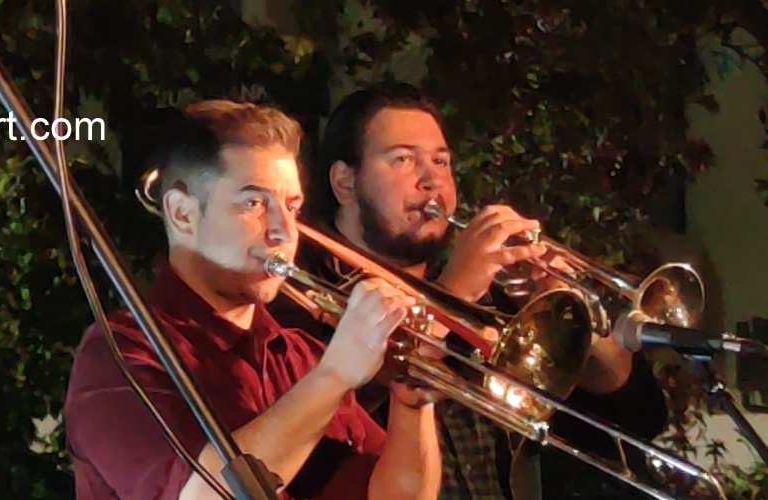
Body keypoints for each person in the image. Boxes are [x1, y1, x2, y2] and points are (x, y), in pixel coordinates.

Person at [286, 84, 670, 500]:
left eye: (441, 161)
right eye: (403, 159)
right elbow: (326, 427)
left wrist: (574, 321)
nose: (431, 180)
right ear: (345, 182)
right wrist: (452, 295)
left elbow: (639, 419)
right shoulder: (297, 293)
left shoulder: (494, 294)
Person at [64, 100, 441, 500]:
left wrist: (411, 402)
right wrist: (335, 375)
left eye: (292, 206)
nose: (284, 231)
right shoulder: (119, 355)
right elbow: (204, 495)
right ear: (182, 214)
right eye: (254, 203)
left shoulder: (299, 356)